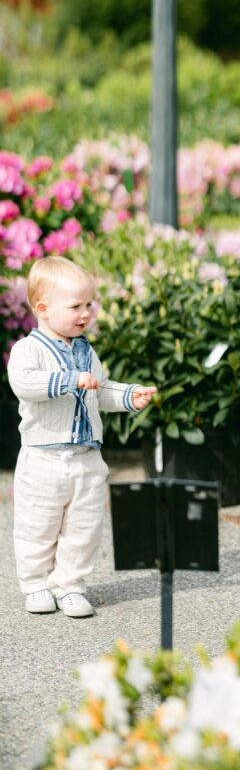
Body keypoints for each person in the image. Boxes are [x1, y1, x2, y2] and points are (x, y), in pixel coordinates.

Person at [7, 256, 156, 618]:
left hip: (86, 458)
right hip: (44, 458)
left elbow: (98, 390)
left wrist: (127, 396)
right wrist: (70, 379)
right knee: (37, 525)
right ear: (42, 308)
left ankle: (70, 584)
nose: (85, 313)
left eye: (89, 304)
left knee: (83, 527)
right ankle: (37, 583)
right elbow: (24, 384)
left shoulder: (86, 351)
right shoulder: (29, 350)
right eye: (75, 306)